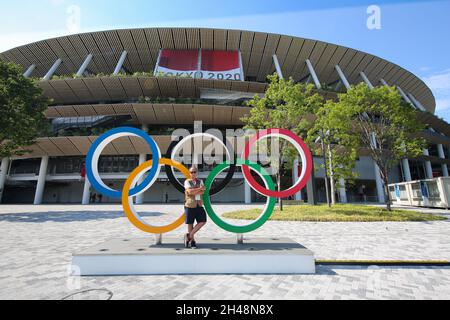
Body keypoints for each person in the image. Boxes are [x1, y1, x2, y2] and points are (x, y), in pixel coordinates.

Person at [183, 166, 207, 248]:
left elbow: (203, 191)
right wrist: (199, 189)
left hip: (199, 204)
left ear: (197, 173)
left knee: (203, 220)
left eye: (194, 172)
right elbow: (189, 192)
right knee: (190, 223)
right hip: (190, 205)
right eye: (191, 172)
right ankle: (192, 241)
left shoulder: (200, 181)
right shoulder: (187, 181)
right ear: (189, 173)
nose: (193, 173)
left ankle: (189, 235)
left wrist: (195, 191)